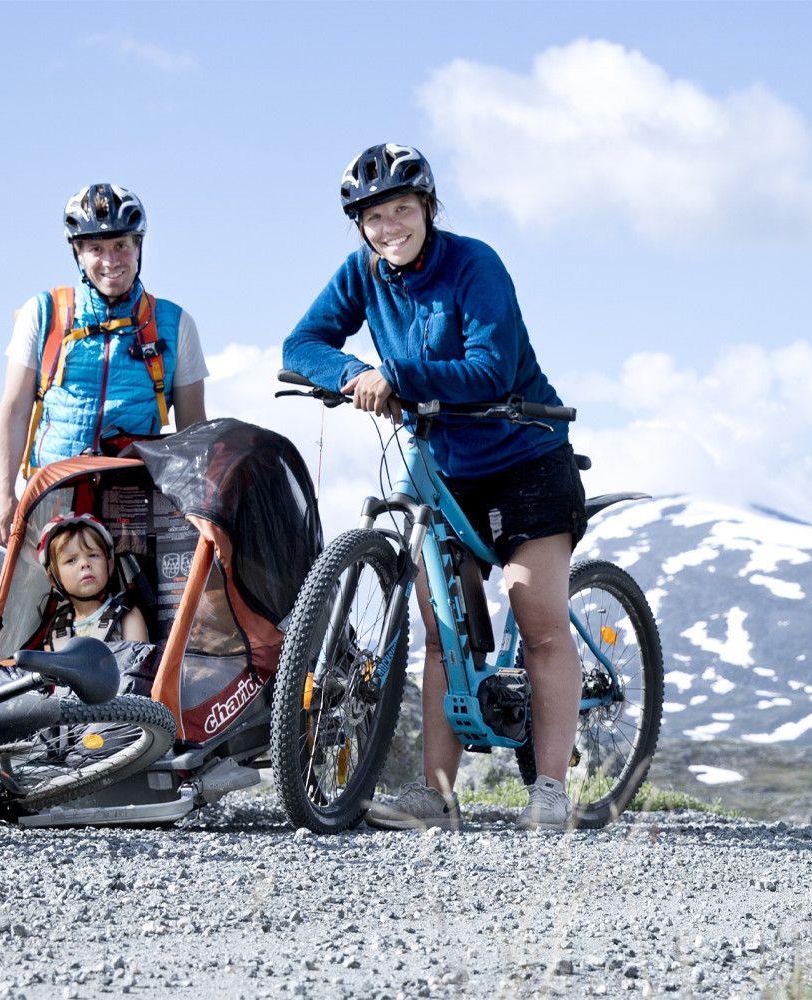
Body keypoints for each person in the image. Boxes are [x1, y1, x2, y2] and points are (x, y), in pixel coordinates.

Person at [281, 142, 588, 832]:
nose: (389, 227)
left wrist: (398, 375)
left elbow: (490, 368)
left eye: (401, 209)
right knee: (441, 628)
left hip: (525, 459)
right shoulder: (363, 273)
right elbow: (300, 345)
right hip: (443, 467)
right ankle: (439, 795)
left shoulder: (475, 264)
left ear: (428, 207)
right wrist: (352, 374)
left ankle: (550, 790)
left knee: (536, 619)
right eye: (374, 217)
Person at [0, 183, 209, 543]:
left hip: (136, 500)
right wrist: (3, 496)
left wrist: (201, 510)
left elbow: (194, 433)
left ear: (139, 246)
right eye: (96, 249)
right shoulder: (43, 314)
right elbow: (13, 410)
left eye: (121, 245)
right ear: (78, 253)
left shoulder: (175, 324)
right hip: (54, 495)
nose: (111, 261)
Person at [33, 513, 148, 647]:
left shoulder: (127, 616)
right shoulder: (55, 630)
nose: (85, 563)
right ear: (53, 578)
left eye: (93, 555)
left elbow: (137, 659)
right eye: (71, 560)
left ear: (110, 566)